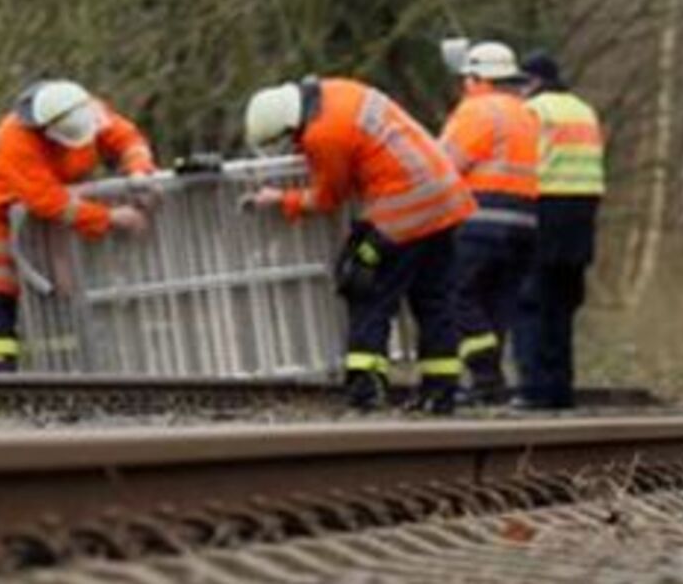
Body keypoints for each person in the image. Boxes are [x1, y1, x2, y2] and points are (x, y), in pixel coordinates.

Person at [242, 76, 475, 412]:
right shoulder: (337, 91)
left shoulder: (322, 134)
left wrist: (281, 198)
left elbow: (327, 196)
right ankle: (440, 392)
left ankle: (366, 389)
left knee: (365, 286)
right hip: (444, 199)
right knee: (434, 300)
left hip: (403, 209)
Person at [0, 80, 158, 370]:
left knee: (72, 297)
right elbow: (47, 200)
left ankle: (84, 369)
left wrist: (140, 173)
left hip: (61, 221)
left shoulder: (88, 112)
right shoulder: (14, 140)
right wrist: (110, 218)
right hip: (3, 222)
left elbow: (129, 140)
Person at [438, 42, 542, 404]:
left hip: (480, 220)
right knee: (497, 303)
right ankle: (489, 384)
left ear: (479, 79)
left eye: (467, 78)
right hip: (526, 223)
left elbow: (443, 165)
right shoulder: (527, 114)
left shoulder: (476, 111)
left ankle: (485, 374)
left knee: (457, 295)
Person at [513, 51, 605, 410]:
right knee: (564, 302)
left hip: (545, 206)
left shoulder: (534, 111)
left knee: (532, 299)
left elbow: (523, 159)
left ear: (532, 81)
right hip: (584, 211)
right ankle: (560, 387)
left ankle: (534, 388)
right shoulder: (584, 110)